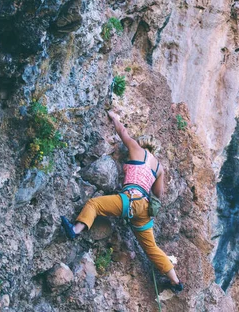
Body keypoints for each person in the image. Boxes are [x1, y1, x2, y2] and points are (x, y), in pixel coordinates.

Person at [60, 110, 183, 293]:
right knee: (151, 248)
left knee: (95, 204)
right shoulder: (159, 167)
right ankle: (175, 282)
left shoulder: (135, 148)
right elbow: (159, 193)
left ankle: (75, 230)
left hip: (130, 200)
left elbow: (122, 132)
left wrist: (115, 117)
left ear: (142, 144)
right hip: (144, 209)